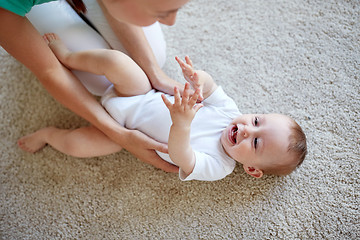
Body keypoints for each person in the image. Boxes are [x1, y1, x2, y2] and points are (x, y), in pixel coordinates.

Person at [18, 33, 308, 181]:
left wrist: (181, 124)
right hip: (140, 95)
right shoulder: (229, 112)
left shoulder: (220, 165)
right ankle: (68, 56)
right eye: (256, 120)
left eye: (256, 142)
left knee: (79, 145)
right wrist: (198, 80)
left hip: (123, 134)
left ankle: (49, 135)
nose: (246, 129)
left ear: (252, 169)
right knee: (118, 62)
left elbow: (183, 157)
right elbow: (210, 88)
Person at [0, 0, 190, 173]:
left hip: (136, 96)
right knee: (99, 83)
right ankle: (48, 135)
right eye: (164, 13)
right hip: (17, 7)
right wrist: (119, 135)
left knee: (153, 58)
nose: (171, 22)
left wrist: (157, 75)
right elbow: (49, 70)